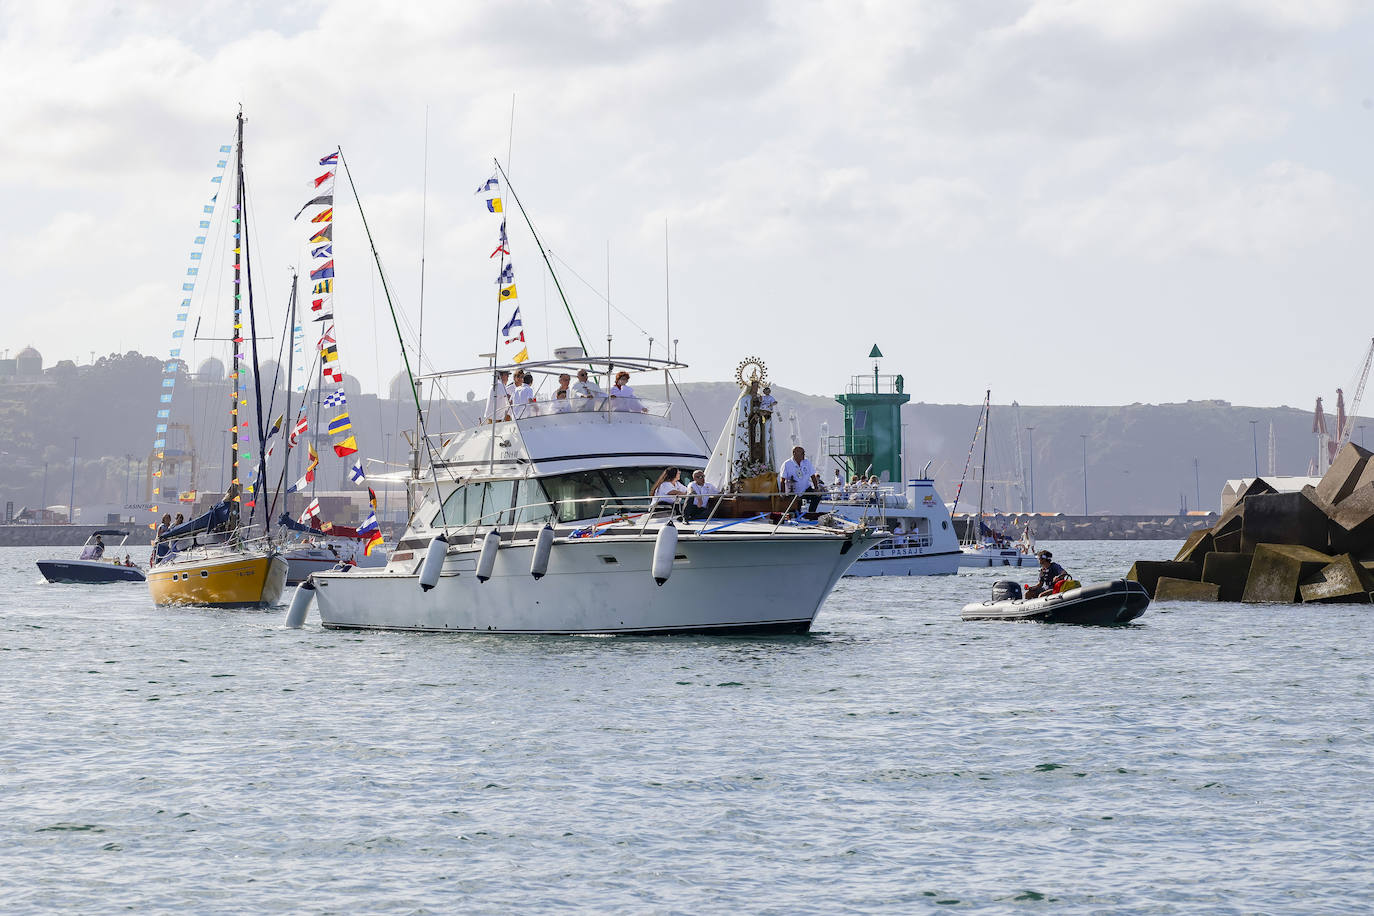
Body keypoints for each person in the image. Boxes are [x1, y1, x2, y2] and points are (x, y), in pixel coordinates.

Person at [779, 446, 822, 516]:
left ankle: (811, 513)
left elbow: (813, 476)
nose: (804, 455)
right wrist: (783, 493)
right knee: (796, 509)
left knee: (817, 496)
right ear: (795, 453)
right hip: (793, 491)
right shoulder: (787, 464)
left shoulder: (807, 462)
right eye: (802, 453)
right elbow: (782, 480)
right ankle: (797, 516)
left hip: (805, 488)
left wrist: (816, 488)